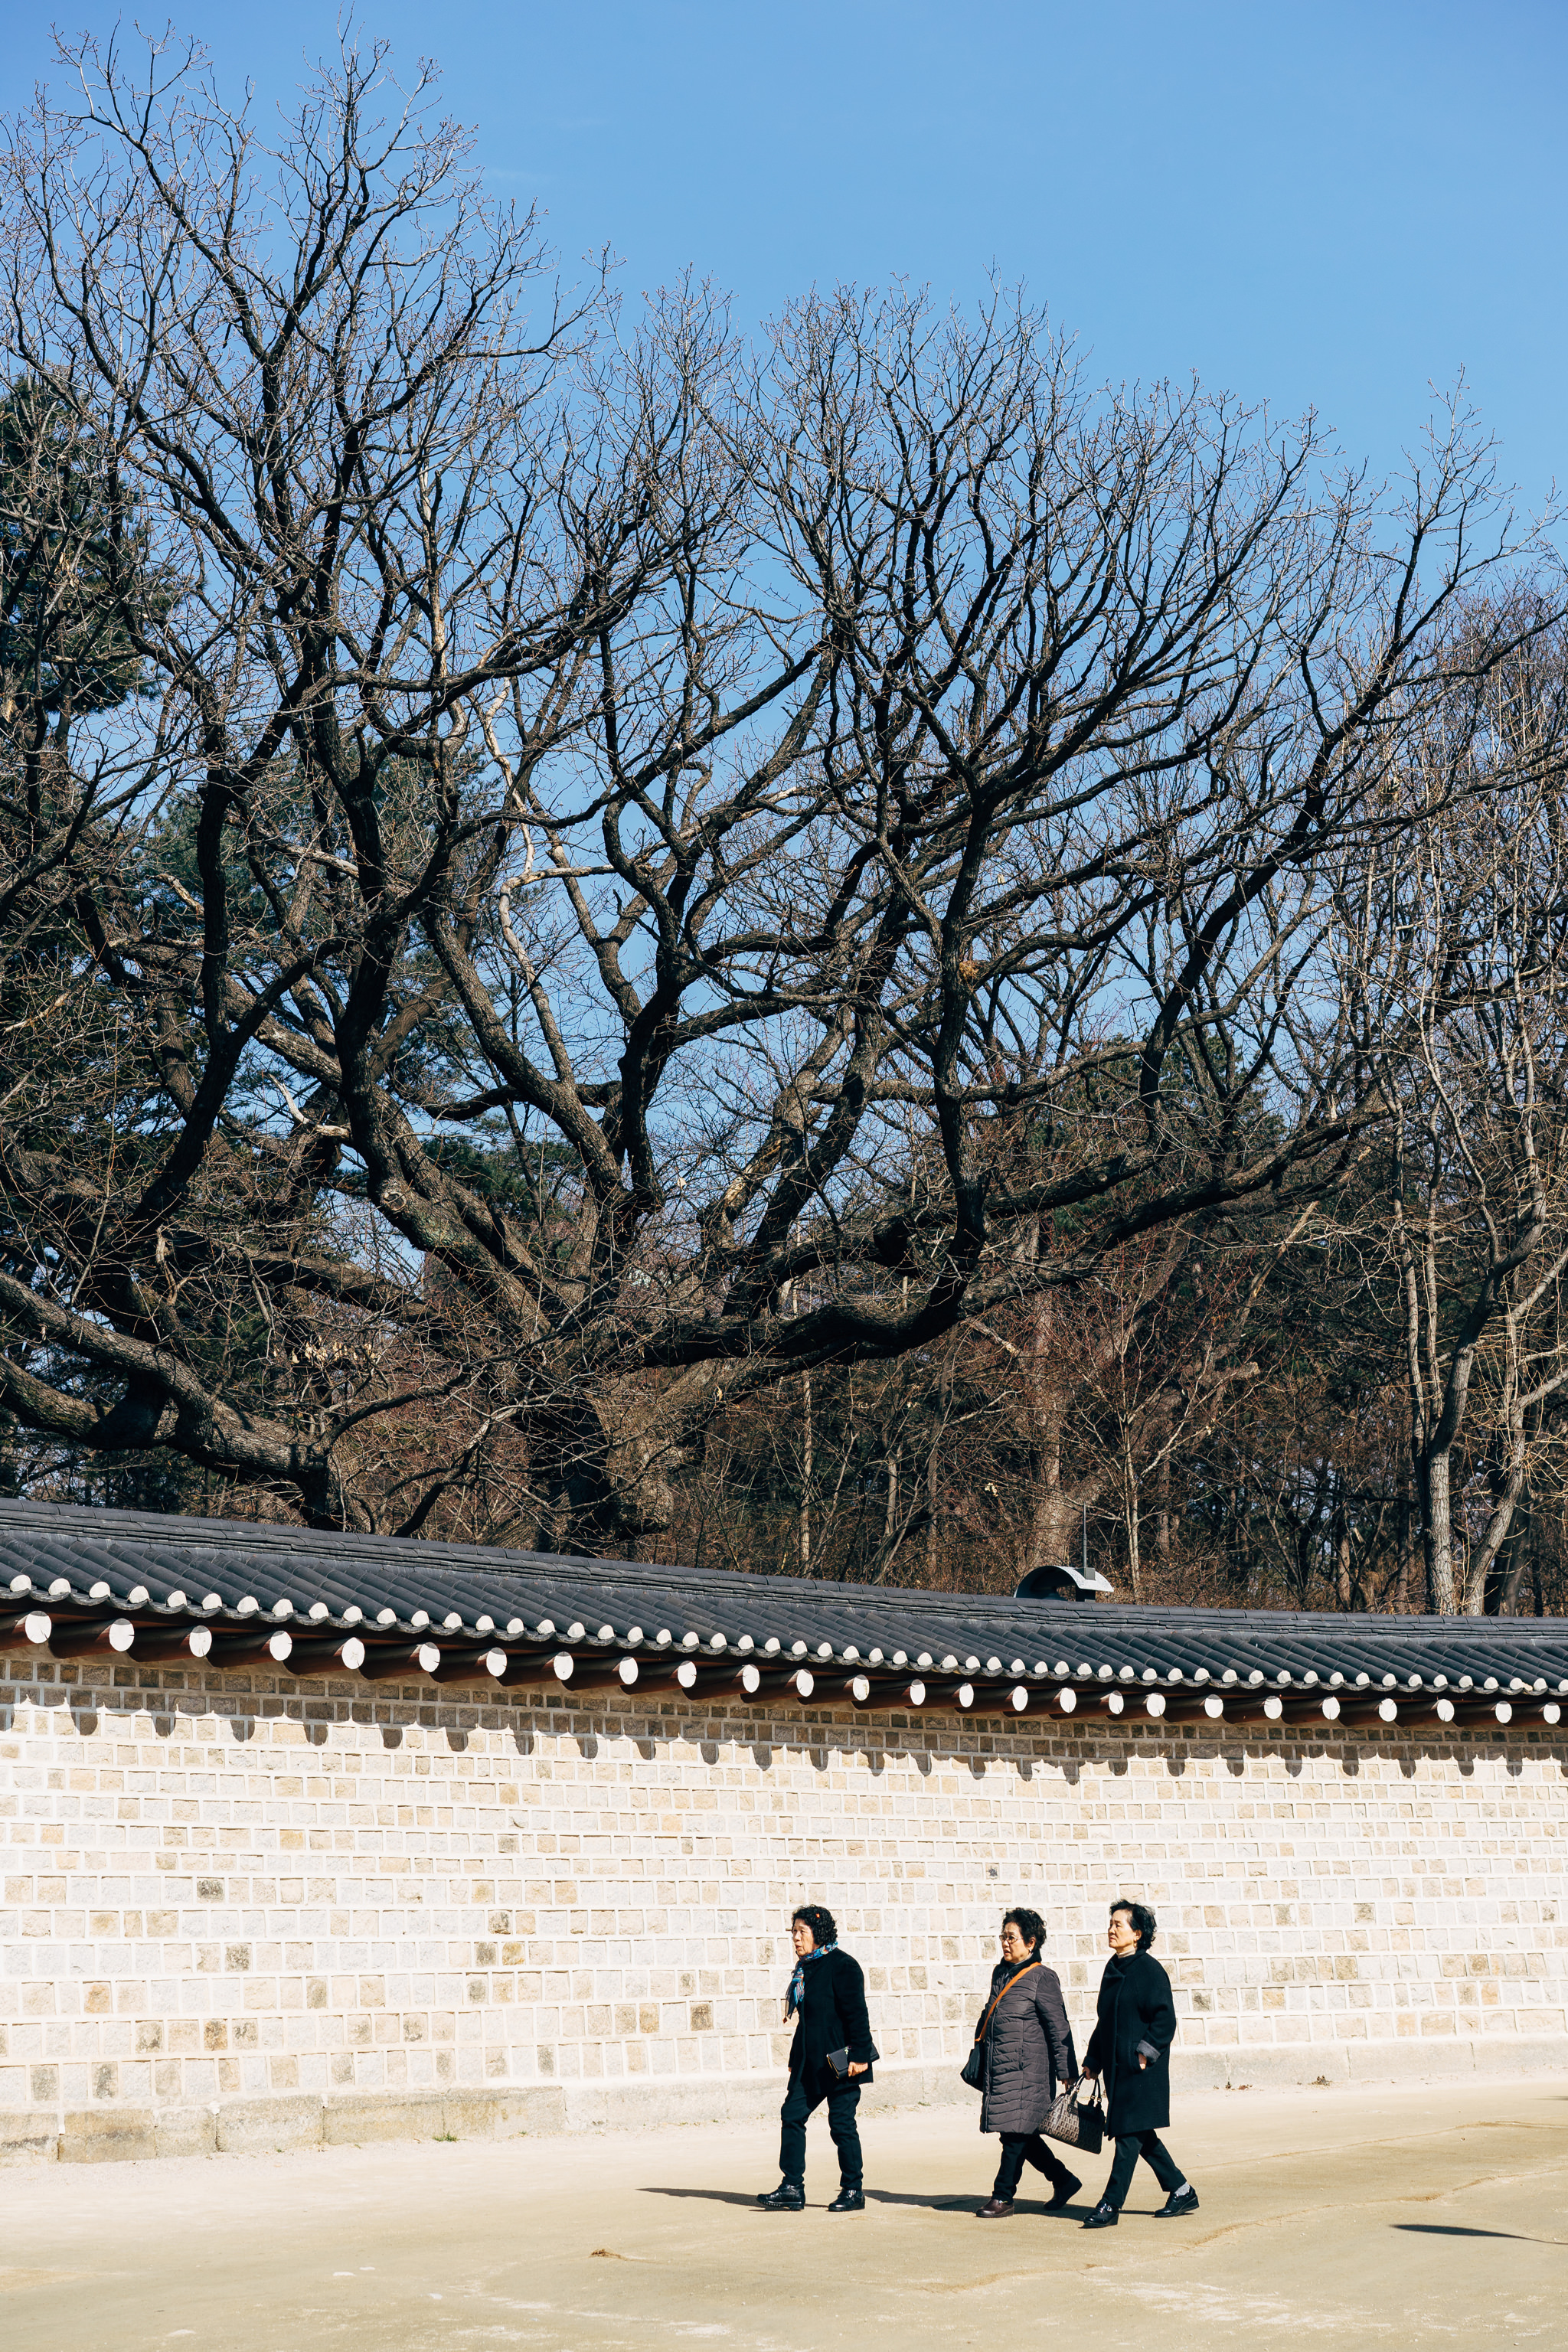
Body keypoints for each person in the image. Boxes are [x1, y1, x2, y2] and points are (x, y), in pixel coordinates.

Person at [1080, 1898, 1198, 2227]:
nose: (1111, 1930)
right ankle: (1181, 2189)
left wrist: (1145, 2053)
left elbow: (1165, 2019)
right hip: (1118, 2069)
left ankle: (1110, 2204)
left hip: (1141, 2070)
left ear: (1137, 1933)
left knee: (1128, 2136)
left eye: (1119, 1925)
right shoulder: (1113, 1967)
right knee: (1141, 2134)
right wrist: (1094, 2059)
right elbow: (1105, 2021)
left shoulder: (1149, 1971)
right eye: (1111, 1924)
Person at [758, 1904, 878, 2213]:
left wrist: (861, 2056)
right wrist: (795, 2057)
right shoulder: (806, 1969)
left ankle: (853, 2190)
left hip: (841, 2062)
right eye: (793, 1932)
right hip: (809, 2064)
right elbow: (808, 2021)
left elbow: (857, 2015)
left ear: (819, 1934)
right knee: (792, 2115)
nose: (796, 1938)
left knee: (841, 2125)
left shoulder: (843, 1966)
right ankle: (792, 2188)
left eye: (802, 1932)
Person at [972, 1907, 1082, 2218]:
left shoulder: (1043, 1978)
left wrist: (1066, 2072)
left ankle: (1003, 2196)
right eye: (1003, 1937)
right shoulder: (1000, 1973)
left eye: (1012, 1938)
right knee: (1019, 2134)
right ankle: (1064, 2180)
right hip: (1001, 2067)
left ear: (1031, 1943)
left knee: (1015, 2135)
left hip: (1028, 2070)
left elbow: (1058, 2027)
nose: (1005, 1943)